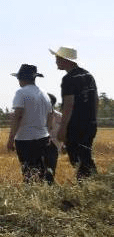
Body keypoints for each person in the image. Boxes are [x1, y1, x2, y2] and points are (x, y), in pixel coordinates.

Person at [50, 46, 98, 179]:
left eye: (57, 59)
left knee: (78, 160)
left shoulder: (69, 79)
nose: (56, 62)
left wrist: (63, 128)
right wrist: (93, 120)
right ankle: (93, 185)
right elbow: (95, 100)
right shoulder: (88, 75)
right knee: (85, 156)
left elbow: (68, 105)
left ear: (65, 60)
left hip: (76, 125)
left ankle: (91, 185)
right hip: (90, 124)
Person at [7, 64, 56, 184]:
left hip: (25, 139)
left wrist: (10, 139)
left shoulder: (21, 93)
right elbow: (50, 116)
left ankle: (32, 198)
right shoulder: (44, 93)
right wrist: (49, 133)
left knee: (29, 174)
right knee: (41, 172)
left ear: (21, 79)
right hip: (43, 138)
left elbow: (18, 116)